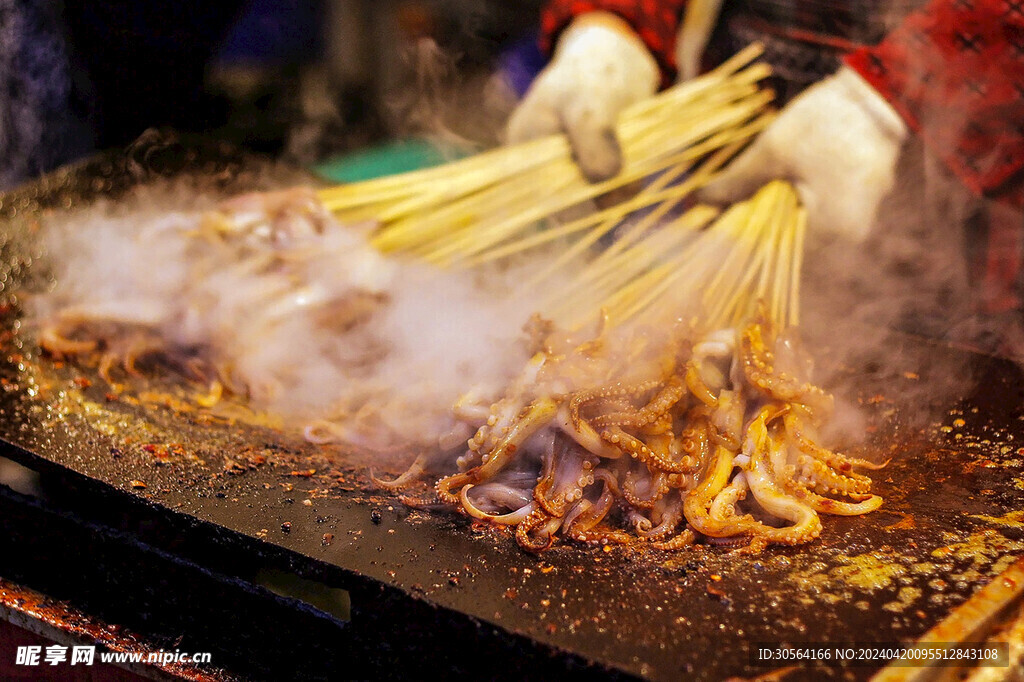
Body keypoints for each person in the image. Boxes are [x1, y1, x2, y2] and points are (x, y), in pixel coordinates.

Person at [507, 0, 1024, 352]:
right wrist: (613, 23)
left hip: (971, 175)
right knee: (694, 347)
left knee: (950, 388)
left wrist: (895, 99)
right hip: (741, 134)